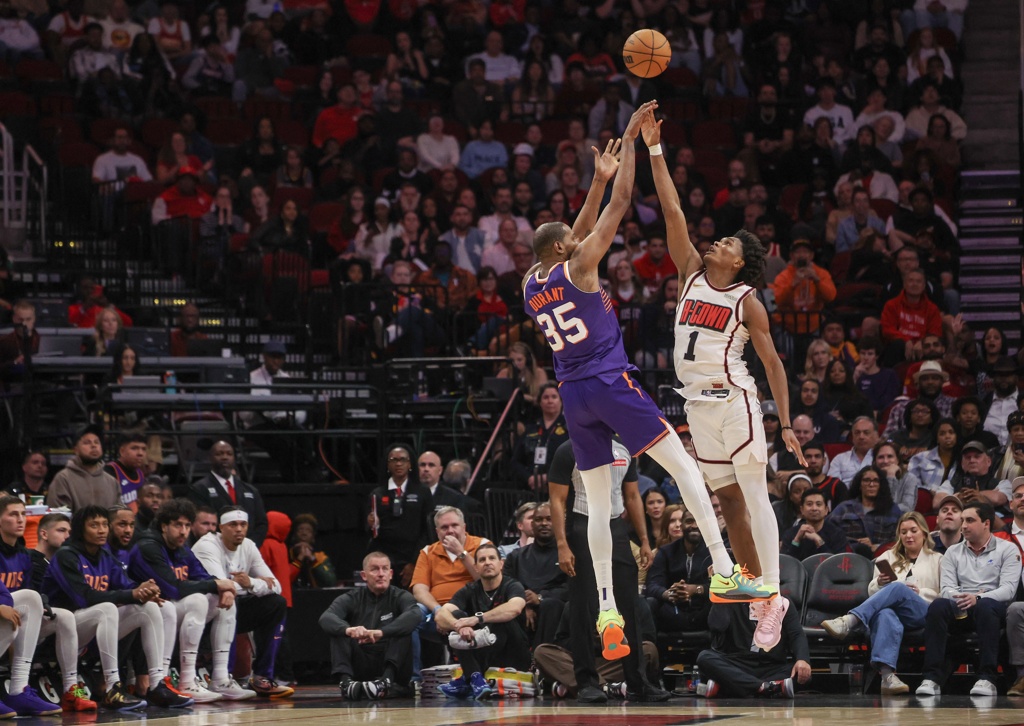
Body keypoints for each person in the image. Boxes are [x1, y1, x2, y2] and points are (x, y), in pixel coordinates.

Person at [524, 101, 769, 664]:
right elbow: (619, 206)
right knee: (684, 469)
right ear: (564, 250)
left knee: (599, 505)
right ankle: (724, 568)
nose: (580, 238)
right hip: (610, 383)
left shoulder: (532, 281)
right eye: (572, 240)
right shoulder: (582, 267)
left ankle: (608, 610)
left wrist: (595, 179)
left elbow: (574, 230)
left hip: (573, 396)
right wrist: (631, 144)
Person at [643, 107, 802, 649]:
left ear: (739, 263)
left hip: (735, 400)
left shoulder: (746, 299)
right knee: (728, 503)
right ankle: (755, 593)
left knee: (754, 494)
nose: (718, 243)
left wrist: (785, 423)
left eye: (729, 244)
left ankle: (772, 595)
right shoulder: (689, 272)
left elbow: (773, 363)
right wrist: (655, 148)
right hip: (696, 407)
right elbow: (671, 207)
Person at [548, 438, 670, 703]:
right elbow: (557, 499)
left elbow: (632, 496)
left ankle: (638, 683)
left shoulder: (625, 449)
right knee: (583, 605)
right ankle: (586, 682)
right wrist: (562, 544)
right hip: (581, 526)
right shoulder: (568, 449)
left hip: (616, 527)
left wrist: (644, 540)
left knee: (629, 603)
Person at [42, 506, 192, 709]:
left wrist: (145, 590)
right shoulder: (66, 555)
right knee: (107, 608)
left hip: (89, 628)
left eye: (105, 524)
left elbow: (126, 585)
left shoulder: (104, 555)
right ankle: (112, 687)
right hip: (57, 630)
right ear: (80, 529)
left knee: (150, 608)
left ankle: (157, 684)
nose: (102, 530)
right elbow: (84, 597)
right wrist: (132, 594)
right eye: (94, 525)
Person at [127, 498, 243, 702]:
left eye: (187, 526)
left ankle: (220, 678)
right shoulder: (148, 546)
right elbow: (173, 588)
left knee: (224, 602)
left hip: (167, 610)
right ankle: (173, 681)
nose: (183, 531)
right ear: (164, 526)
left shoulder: (182, 548)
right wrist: (218, 584)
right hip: (142, 611)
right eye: (177, 525)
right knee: (196, 600)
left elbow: (202, 576)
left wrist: (223, 589)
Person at [821, 511, 943, 694]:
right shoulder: (887, 557)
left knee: (899, 588)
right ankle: (887, 677)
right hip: (894, 613)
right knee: (885, 613)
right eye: (903, 532)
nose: (908, 536)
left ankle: (850, 620)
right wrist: (879, 583)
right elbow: (872, 592)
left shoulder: (938, 559)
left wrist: (921, 593)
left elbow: (944, 595)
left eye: (913, 530)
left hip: (923, 612)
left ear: (924, 533)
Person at [0, 496, 100, 712]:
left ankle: (65, 690)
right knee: (28, 599)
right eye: (13, 514)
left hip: (11, 622)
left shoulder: (26, 556)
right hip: (4, 618)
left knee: (63, 616)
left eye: (23, 514)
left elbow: (31, 596)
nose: (20, 519)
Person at [915, 502, 1021, 697]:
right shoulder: (953, 552)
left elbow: (1008, 590)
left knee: (986, 606)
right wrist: (962, 598)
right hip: (961, 607)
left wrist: (978, 598)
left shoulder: (1008, 550)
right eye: (962, 520)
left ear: (986, 523)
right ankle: (932, 678)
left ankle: (987, 678)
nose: (963, 525)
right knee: (938, 606)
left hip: (993, 610)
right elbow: (946, 588)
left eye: (970, 520)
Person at [191, 507, 293, 697]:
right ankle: (223, 677)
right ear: (221, 527)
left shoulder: (248, 546)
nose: (239, 529)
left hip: (232, 609)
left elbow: (276, 586)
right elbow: (221, 586)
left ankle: (262, 677)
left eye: (243, 524)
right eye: (233, 524)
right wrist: (253, 585)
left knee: (276, 603)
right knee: (226, 599)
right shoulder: (207, 545)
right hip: (202, 612)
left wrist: (250, 583)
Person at [319, 551, 420, 701]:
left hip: (392, 663)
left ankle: (385, 682)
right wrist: (349, 630)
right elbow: (326, 617)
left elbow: (415, 614)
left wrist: (381, 632)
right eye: (375, 569)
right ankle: (346, 682)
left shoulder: (401, 596)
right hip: (362, 659)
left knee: (403, 629)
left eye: (385, 569)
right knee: (338, 631)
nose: (381, 574)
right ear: (364, 575)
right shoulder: (352, 597)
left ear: (391, 574)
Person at [437, 543, 530, 700]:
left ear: (501, 564)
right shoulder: (470, 589)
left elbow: (515, 608)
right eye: (482, 560)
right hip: (482, 649)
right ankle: (475, 678)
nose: (487, 562)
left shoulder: (512, 585)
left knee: (502, 617)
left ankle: (468, 677)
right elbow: (441, 615)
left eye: (492, 558)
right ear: (476, 568)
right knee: (457, 616)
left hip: (513, 652)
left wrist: (478, 618)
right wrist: (458, 626)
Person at [410, 507, 489, 674]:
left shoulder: (482, 545)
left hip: (472, 613)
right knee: (412, 616)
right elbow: (419, 589)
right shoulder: (428, 551)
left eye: (455, 525)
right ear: (437, 531)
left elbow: (486, 580)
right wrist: (438, 611)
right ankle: (414, 678)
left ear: (464, 527)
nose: (450, 531)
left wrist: (461, 553)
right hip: (436, 614)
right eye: (444, 527)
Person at [696, 600, 811, 699]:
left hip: (770, 666)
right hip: (738, 664)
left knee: (803, 673)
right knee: (705, 658)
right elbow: (717, 627)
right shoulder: (730, 599)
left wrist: (802, 659)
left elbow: (796, 634)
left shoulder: (783, 602)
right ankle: (767, 687)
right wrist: (720, 599)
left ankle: (729, 687)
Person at [366, 444, 433, 588]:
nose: (398, 463)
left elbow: (427, 530)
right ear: (387, 464)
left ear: (410, 464)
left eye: (403, 459)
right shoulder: (377, 494)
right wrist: (372, 525)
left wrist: (414, 562)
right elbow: (370, 534)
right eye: (393, 460)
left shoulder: (423, 492)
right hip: (385, 560)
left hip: (413, 556)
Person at [503, 502, 567, 646]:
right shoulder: (515, 556)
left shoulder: (567, 555)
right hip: (522, 605)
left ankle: (543, 654)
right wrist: (524, 605)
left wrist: (540, 598)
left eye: (549, 519)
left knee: (550, 605)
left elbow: (571, 587)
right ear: (532, 525)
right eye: (538, 519)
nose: (544, 523)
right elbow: (507, 585)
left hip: (555, 607)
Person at [188, 440, 268, 546]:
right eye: (219, 454)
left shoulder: (250, 490)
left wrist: (248, 546)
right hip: (216, 548)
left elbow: (261, 523)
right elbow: (201, 524)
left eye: (229, 454)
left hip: (247, 549)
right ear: (210, 458)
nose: (225, 457)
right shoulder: (199, 489)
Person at [644, 508, 712, 632]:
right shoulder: (666, 552)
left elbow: (724, 586)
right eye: (689, 521)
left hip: (704, 612)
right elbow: (652, 584)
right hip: (672, 611)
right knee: (650, 602)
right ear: (682, 525)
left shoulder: (713, 552)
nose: (694, 526)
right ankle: (648, 643)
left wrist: (695, 589)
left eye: (698, 521)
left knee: (722, 602)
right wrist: (670, 594)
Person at [829, 466, 904, 555]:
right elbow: (829, 533)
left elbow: (900, 539)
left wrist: (878, 546)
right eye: (867, 480)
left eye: (876, 481)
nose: (871, 484)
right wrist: (857, 543)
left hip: (883, 558)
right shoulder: (844, 508)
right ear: (859, 485)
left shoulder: (893, 510)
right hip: (849, 558)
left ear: (881, 485)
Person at [770, 239, 837, 336]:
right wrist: (792, 285)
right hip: (787, 327)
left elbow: (830, 297)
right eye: (797, 252)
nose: (801, 255)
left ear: (812, 255)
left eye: (805, 252)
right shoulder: (783, 276)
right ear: (791, 256)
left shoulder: (821, 274)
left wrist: (817, 281)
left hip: (813, 326)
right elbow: (777, 301)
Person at [46, 424, 122, 510]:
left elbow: (118, 514)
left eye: (97, 442)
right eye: (87, 442)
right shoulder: (63, 479)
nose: (93, 445)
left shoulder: (112, 482)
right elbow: (57, 515)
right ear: (76, 450)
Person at [932, 440, 1009, 512]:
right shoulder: (951, 483)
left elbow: (998, 499)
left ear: (988, 461)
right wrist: (958, 497)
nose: (972, 460)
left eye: (977, 456)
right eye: (968, 457)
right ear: (962, 464)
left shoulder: (1003, 483)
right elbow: (937, 503)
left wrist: (976, 495)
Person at [781, 489, 849, 559]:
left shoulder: (837, 534)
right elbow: (786, 563)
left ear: (826, 510)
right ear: (802, 510)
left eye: (818, 504)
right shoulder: (791, 534)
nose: (814, 508)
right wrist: (796, 540)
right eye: (809, 504)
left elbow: (837, 563)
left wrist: (818, 541)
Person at [830, 416, 881, 486]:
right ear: (852, 436)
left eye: (866, 433)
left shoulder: (882, 458)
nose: (861, 437)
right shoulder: (839, 459)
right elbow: (832, 487)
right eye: (857, 433)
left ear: (876, 436)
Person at [104, 433, 147, 513]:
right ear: (122, 451)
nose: (140, 453)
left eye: (143, 449)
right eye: (134, 448)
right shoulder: (110, 471)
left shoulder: (140, 473)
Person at [31, 513, 70, 585]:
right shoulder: (29, 563)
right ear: (44, 534)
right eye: (61, 530)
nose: (68, 536)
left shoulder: (63, 563)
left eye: (69, 532)